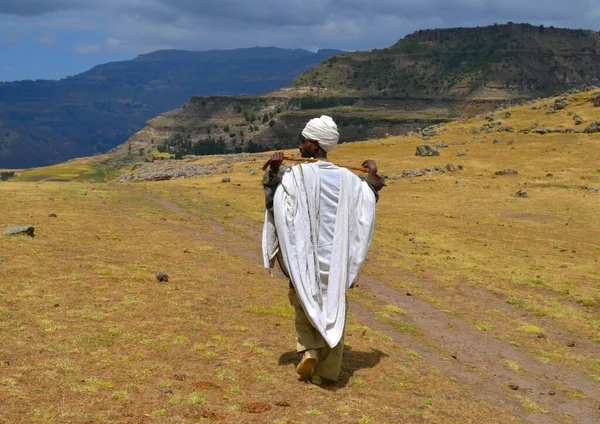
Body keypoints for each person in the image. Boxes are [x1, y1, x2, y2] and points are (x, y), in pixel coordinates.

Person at [261, 115, 384, 385]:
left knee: (303, 300)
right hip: (335, 259)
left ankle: (310, 349)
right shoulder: (349, 179)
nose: (301, 145)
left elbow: (277, 208)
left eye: (305, 141)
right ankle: (326, 373)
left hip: (304, 256)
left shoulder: (296, 175)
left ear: (316, 146)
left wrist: (273, 174)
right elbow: (367, 203)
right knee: (334, 307)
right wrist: (373, 180)